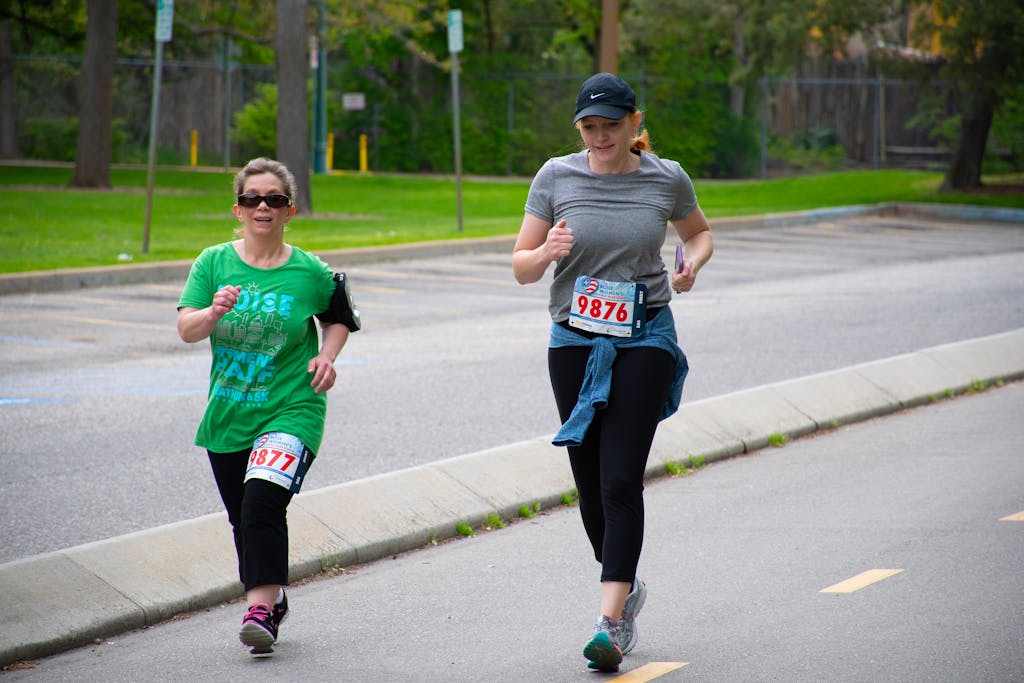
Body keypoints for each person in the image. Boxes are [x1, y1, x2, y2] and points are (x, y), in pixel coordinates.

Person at [512, 73, 713, 672]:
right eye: (590, 127)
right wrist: (546, 252)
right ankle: (626, 588)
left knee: (620, 477)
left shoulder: (665, 177)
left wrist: (689, 264)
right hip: (573, 337)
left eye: (611, 125)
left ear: (635, 123)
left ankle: (610, 620)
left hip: (645, 332)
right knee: (589, 478)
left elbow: (699, 233)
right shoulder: (555, 176)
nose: (600, 136)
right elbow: (521, 267)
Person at [176, 157, 360, 654]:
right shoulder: (213, 263)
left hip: (293, 408)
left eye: (274, 200)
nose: (263, 207)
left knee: (261, 501)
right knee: (243, 518)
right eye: (253, 199)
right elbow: (186, 328)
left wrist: (326, 355)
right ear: (238, 209)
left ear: (289, 210)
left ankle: (259, 611)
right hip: (229, 412)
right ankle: (273, 596)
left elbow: (338, 316)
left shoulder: (310, 271)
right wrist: (213, 310)